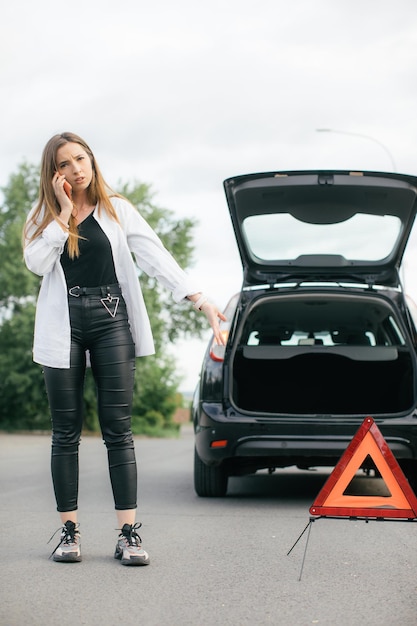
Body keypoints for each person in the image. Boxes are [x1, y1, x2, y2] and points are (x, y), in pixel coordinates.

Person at [23, 132, 226, 566]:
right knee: (66, 431)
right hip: (64, 325)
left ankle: (127, 534)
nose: (76, 168)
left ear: (92, 160)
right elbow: (37, 263)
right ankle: (69, 533)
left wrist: (201, 299)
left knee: (119, 429)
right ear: (53, 173)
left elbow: (157, 258)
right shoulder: (42, 215)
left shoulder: (118, 209)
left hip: (112, 318)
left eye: (81, 158)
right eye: (64, 164)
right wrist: (62, 214)